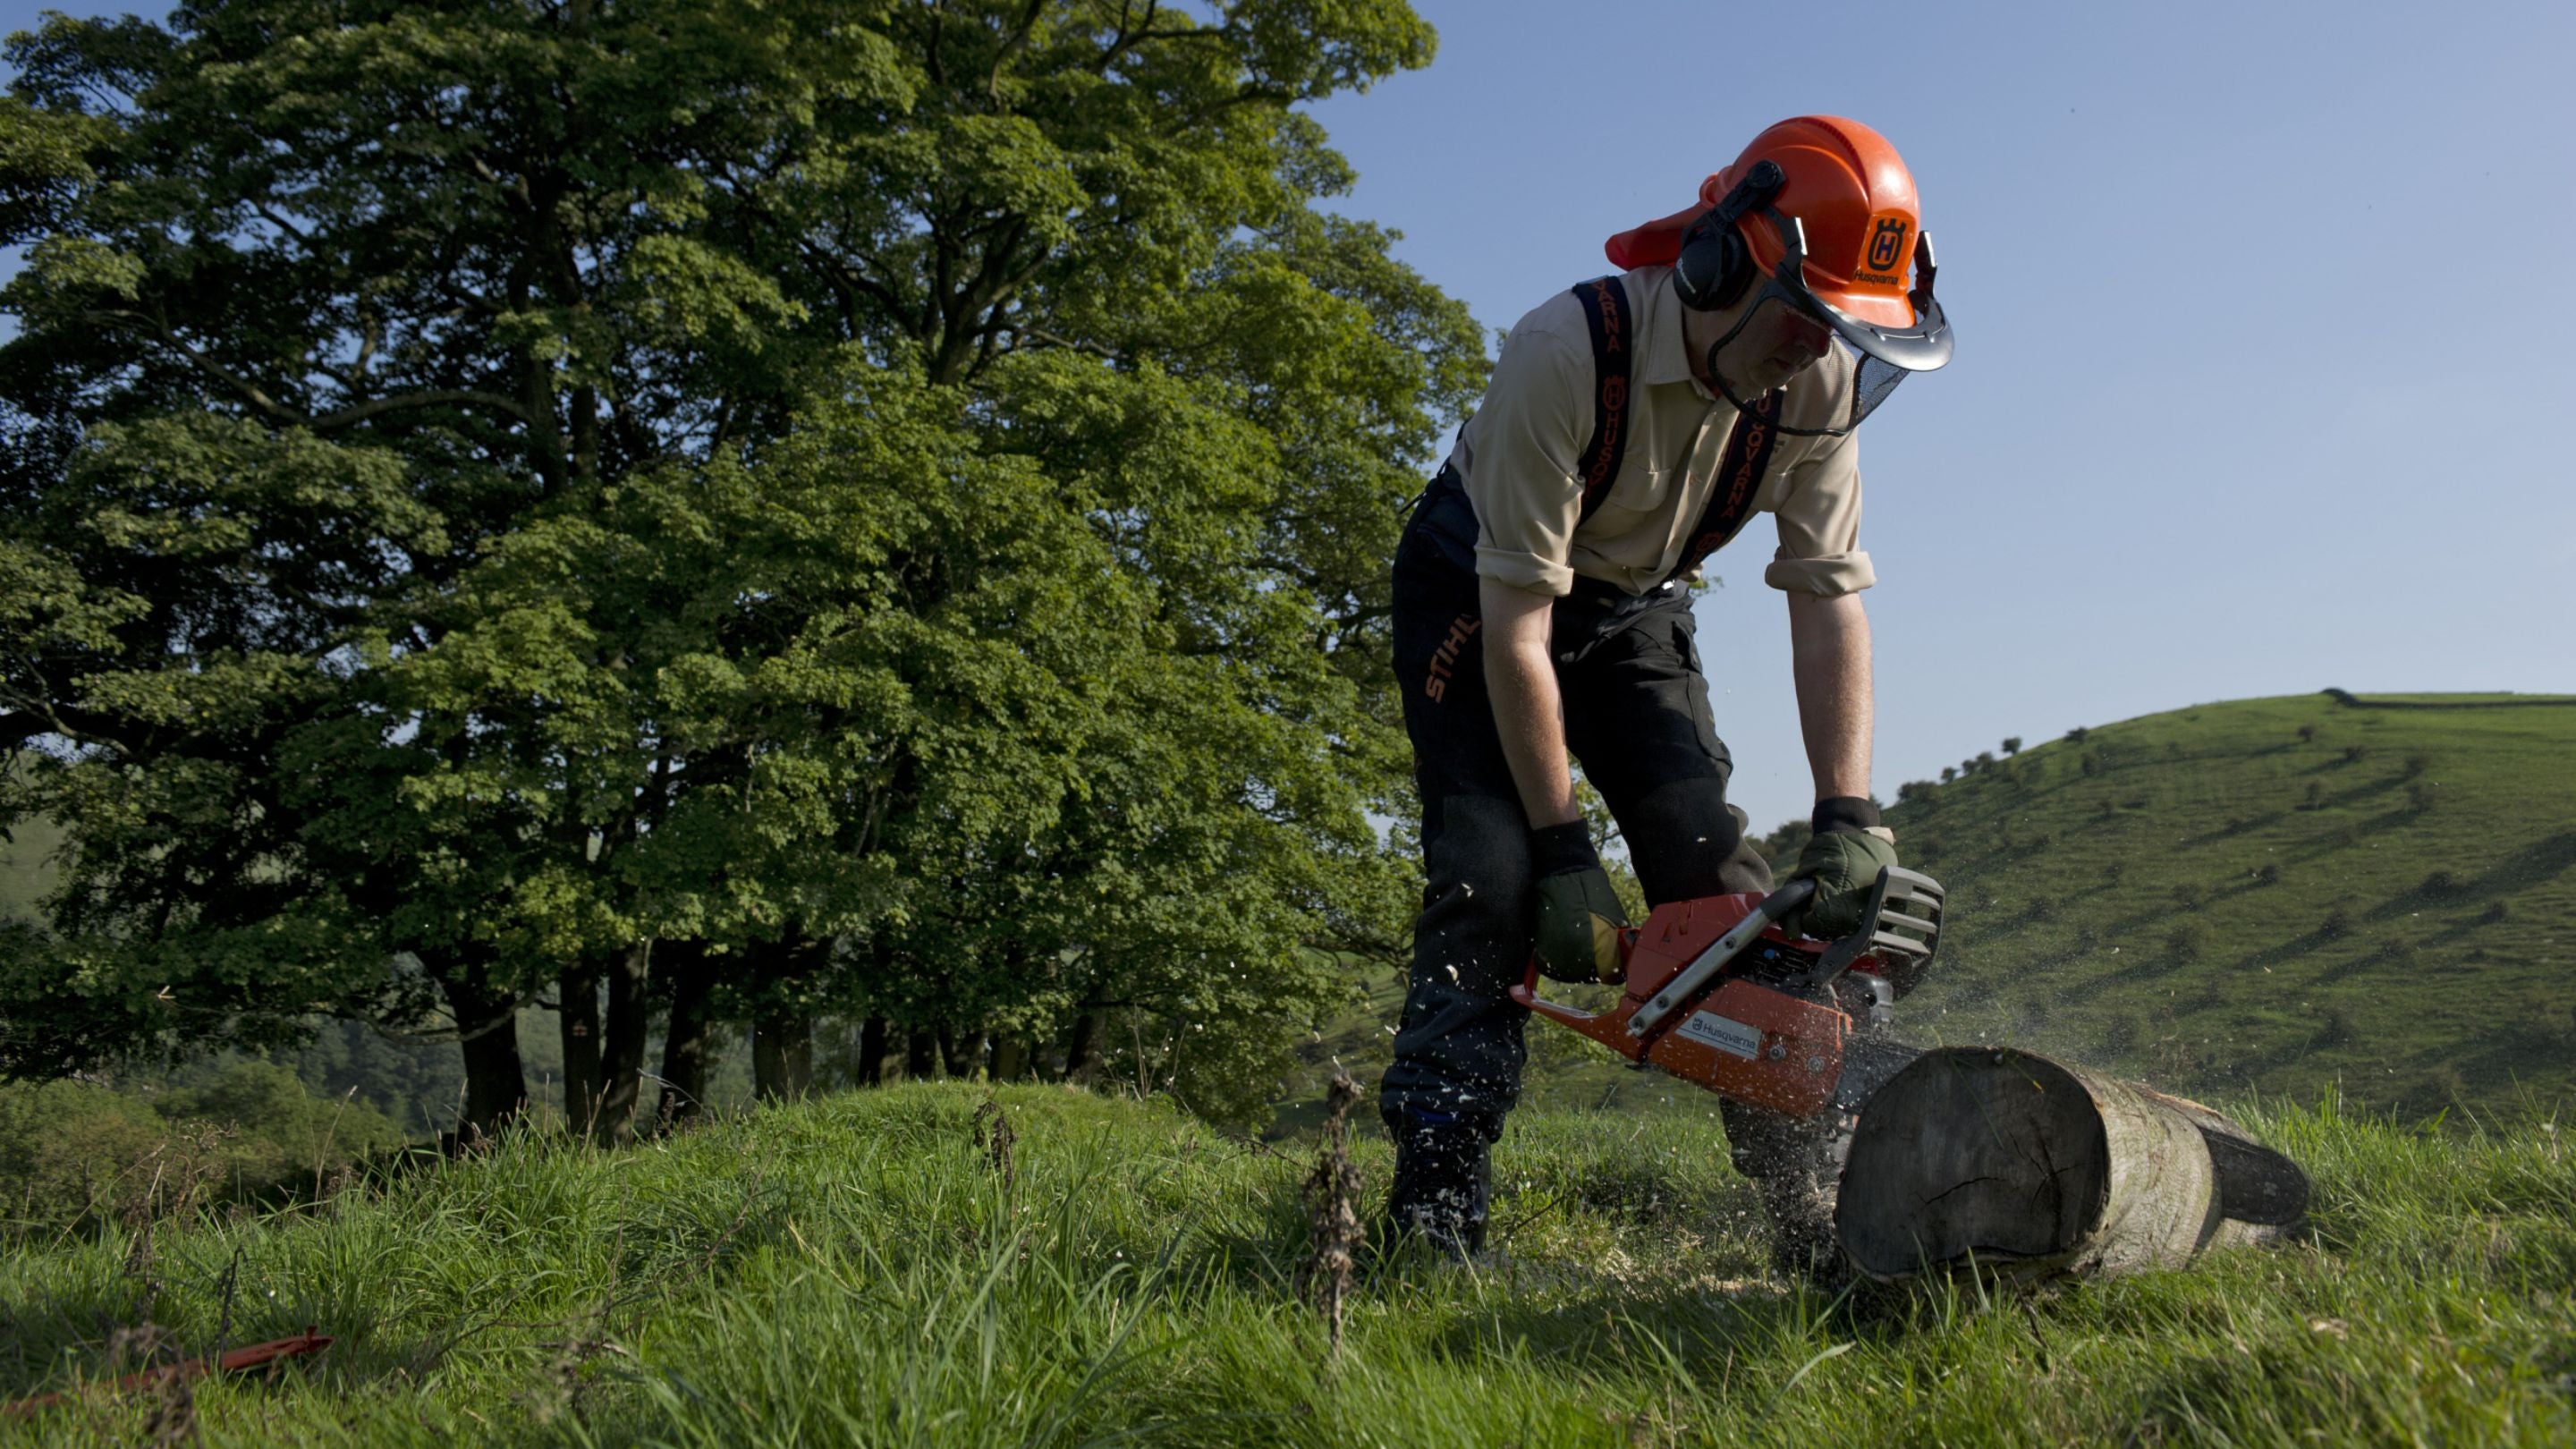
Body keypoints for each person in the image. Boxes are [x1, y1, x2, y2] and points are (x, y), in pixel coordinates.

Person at [1378, 115, 1953, 1275]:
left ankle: (1821, 1207)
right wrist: (1560, 845)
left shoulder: (1819, 382)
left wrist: (1849, 817)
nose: (1813, 349)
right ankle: (1433, 1205)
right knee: (1491, 876)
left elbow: (1828, 597)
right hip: (1482, 593)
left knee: (1732, 895)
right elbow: (1520, 618)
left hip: (1637, 601)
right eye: (1803, 314)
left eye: (1841, 327)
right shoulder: (1565, 348)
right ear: (1722, 261)